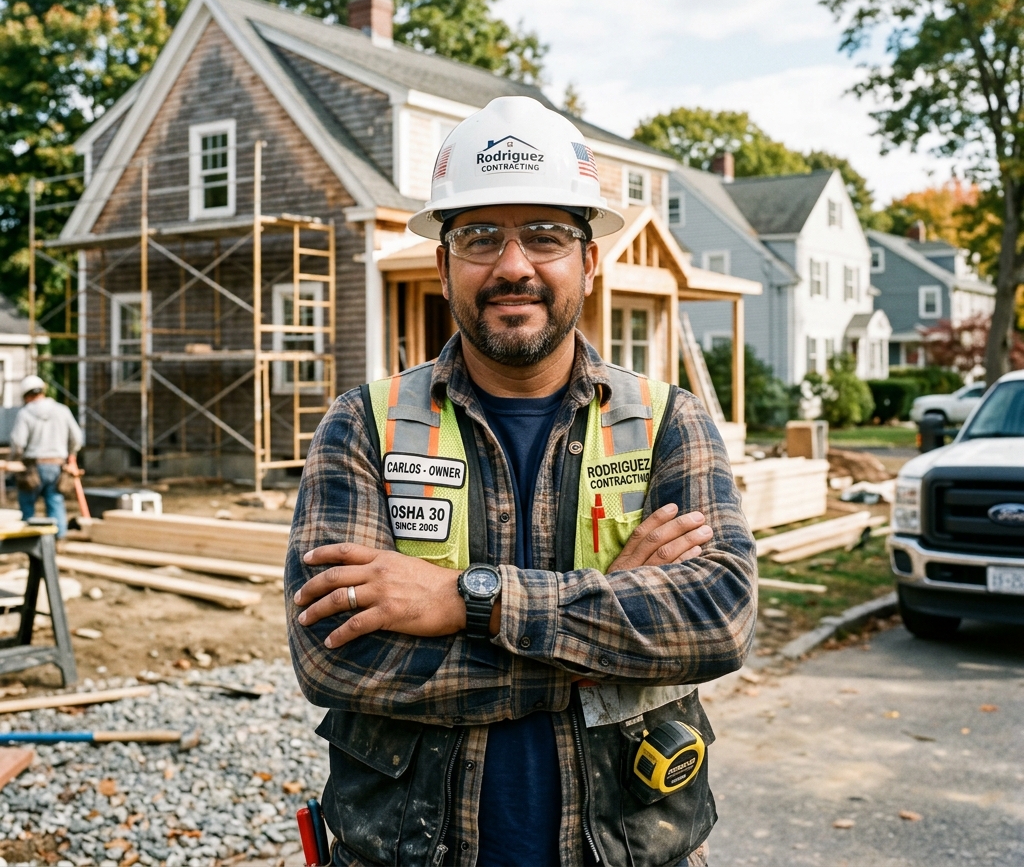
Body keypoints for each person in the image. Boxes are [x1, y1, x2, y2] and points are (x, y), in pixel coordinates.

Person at [287, 96, 757, 867]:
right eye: (479, 237)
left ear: (589, 259)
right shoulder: (362, 426)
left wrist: (467, 602)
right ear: (443, 265)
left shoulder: (670, 421)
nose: (513, 265)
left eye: (545, 236)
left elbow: (718, 618)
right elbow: (334, 658)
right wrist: (602, 634)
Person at [10, 375, 83, 537]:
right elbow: (77, 438)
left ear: (26, 395)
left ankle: (29, 539)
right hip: (57, 466)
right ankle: (58, 539)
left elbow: (18, 442)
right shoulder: (62, 410)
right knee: (55, 502)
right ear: (43, 391)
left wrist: (14, 461)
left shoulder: (25, 413)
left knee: (28, 504)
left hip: (32, 467)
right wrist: (71, 454)